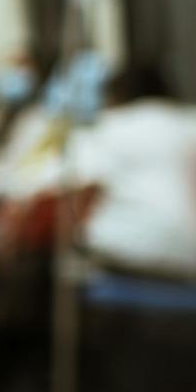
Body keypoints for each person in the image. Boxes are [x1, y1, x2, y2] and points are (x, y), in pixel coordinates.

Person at [70, 62, 196, 277]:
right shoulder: (189, 120)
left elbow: (80, 195)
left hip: (137, 254)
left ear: (113, 97)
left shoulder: (109, 126)